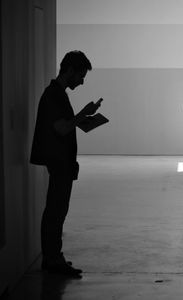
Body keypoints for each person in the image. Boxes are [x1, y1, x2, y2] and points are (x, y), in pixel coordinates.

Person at [30, 50, 101, 276]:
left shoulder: (57, 94)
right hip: (59, 161)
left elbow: (63, 124)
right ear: (69, 70)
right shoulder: (54, 95)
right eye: (80, 76)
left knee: (58, 210)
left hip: (62, 162)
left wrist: (82, 120)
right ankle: (52, 259)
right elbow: (61, 128)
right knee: (55, 211)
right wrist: (84, 113)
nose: (81, 82)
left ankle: (54, 257)